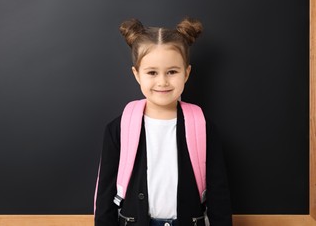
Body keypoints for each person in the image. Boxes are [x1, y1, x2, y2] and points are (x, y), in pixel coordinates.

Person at [94, 17, 232, 226]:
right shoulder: (118, 128)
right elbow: (105, 196)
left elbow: (219, 195)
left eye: (172, 72)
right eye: (152, 72)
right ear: (137, 74)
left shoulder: (203, 127)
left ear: (186, 73)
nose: (162, 82)